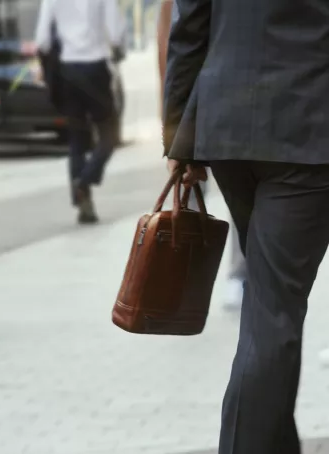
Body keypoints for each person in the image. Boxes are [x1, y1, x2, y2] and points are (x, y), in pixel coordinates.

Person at [163, 0, 329, 452]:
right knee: (274, 309)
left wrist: (179, 137)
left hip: (227, 127)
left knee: (269, 302)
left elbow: (189, 26)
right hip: (306, 131)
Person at [157, 0, 244, 312]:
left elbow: (175, 46)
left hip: (207, 108)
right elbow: (168, 49)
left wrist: (173, 127)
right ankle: (188, 278)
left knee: (204, 196)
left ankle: (212, 278)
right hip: (216, 110)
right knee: (192, 198)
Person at [35, 0, 126, 224]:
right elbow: (115, 33)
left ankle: (84, 204)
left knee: (77, 140)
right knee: (109, 134)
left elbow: (42, 41)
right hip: (95, 69)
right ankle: (85, 180)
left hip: (67, 72)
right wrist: (116, 48)